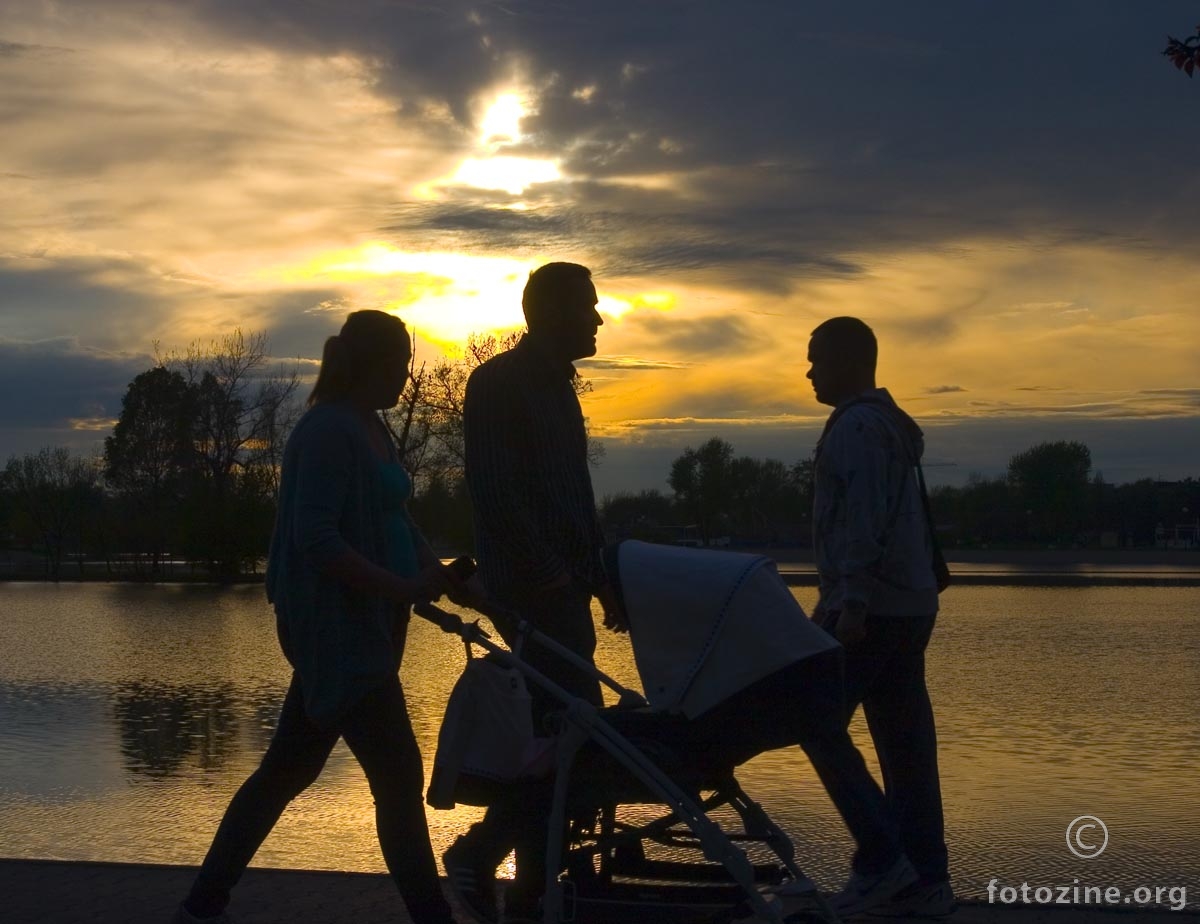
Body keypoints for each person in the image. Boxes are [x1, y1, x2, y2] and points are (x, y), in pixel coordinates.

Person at [174, 310, 463, 924]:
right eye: (401, 365)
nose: (407, 378)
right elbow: (317, 540)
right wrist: (400, 587)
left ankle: (202, 904)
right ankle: (432, 915)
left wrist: (442, 578)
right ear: (372, 364)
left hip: (366, 626)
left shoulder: (369, 428)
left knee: (288, 769)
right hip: (337, 631)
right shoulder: (329, 431)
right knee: (397, 775)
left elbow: (395, 519)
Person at [443, 262, 619, 923]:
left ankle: (540, 882)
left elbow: (576, 498)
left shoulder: (559, 387)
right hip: (531, 594)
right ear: (550, 313)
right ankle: (487, 855)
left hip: (566, 592)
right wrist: (546, 573)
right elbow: (494, 489)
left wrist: (601, 581)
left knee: (566, 741)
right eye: (589, 308)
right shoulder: (499, 384)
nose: (599, 319)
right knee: (567, 739)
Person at [805, 315, 954, 917]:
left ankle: (881, 861)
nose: (809, 371)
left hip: (871, 607)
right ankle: (926, 880)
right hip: (910, 604)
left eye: (816, 358)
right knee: (906, 743)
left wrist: (852, 603)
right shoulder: (889, 426)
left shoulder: (858, 429)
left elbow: (865, 521)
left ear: (848, 360)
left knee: (811, 717)